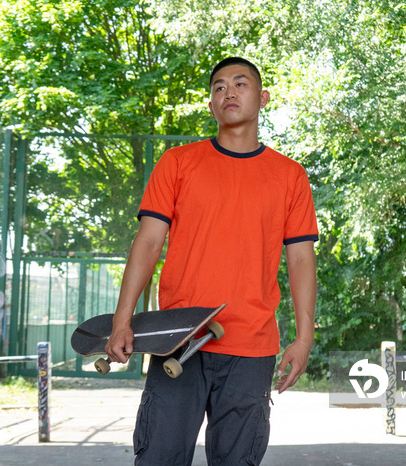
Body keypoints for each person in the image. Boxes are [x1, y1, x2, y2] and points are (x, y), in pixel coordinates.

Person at [105, 57, 318, 466]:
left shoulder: (290, 175)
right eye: (219, 87)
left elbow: (301, 260)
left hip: (251, 349)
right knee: (157, 459)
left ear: (263, 97)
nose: (229, 92)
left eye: (241, 83)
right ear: (210, 104)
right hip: (177, 339)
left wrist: (303, 339)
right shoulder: (178, 163)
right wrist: (122, 321)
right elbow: (148, 242)